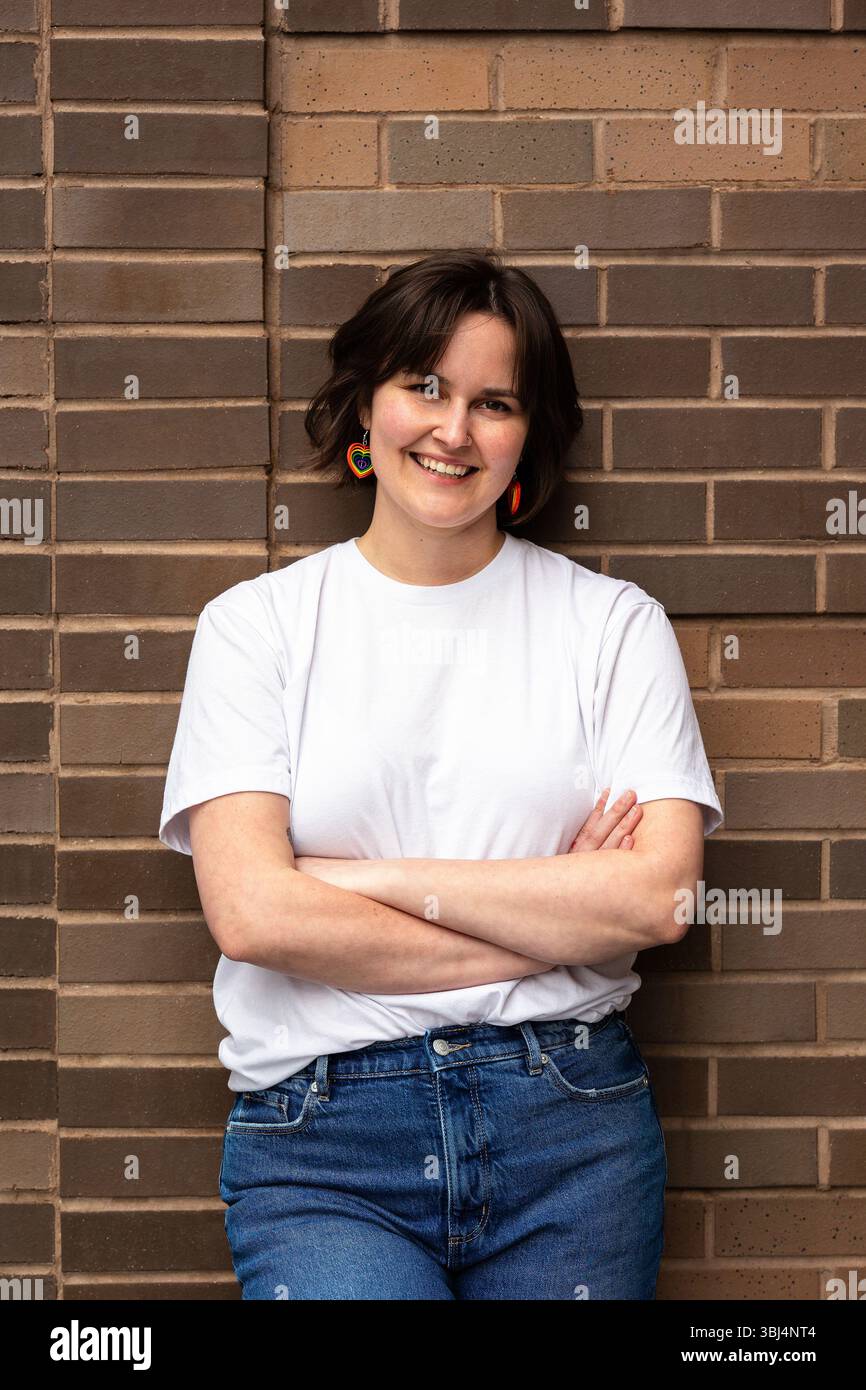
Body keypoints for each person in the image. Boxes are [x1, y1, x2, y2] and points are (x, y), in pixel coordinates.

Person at [158, 250, 723, 1300]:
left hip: (570, 1130)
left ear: (526, 436)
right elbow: (252, 915)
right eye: (424, 386)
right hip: (325, 1146)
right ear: (365, 405)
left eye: (493, 402)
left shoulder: (611, 626)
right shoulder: (255, 629)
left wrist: (354, 882)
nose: (453, 430)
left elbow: (659, 899)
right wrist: (556, 917)